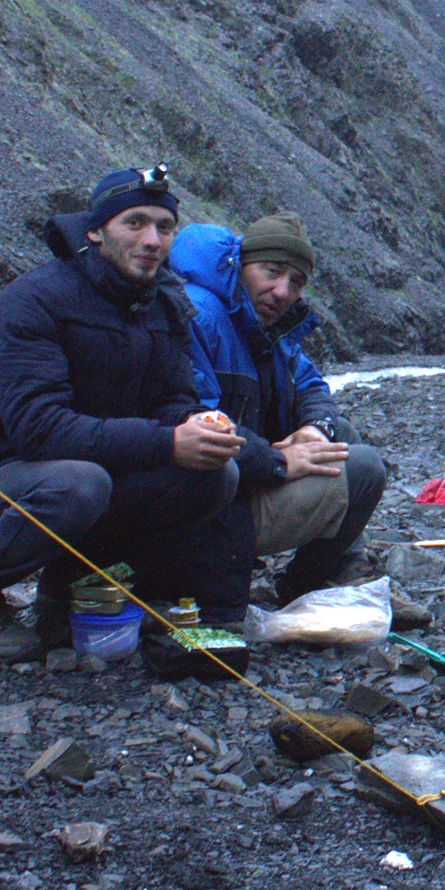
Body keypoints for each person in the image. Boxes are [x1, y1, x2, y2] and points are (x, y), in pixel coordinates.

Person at [0, 166, 241, 661]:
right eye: (134, 223)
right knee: (80, 484)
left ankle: (72, 586)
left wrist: (192, 425)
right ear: (95, 230)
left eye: (164, 227)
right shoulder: (37, 298)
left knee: (215, 475)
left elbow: (173, 399)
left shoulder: (163, 303)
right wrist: (165, 442)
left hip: (90, 470)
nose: (152, 239)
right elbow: (39, 430)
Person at [167, 212, 388, 616]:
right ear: (240, 263)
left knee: (339, 432)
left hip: (245, 473)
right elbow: (200, 422)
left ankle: (337, 569)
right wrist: (280, 461)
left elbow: (312, 386)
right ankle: (303, 587)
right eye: (272, 271)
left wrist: (315, 430)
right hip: (217, 500)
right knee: (366, 468)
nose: (283, 291)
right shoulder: (202, 315)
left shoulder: (265, 324)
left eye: (297, 282)